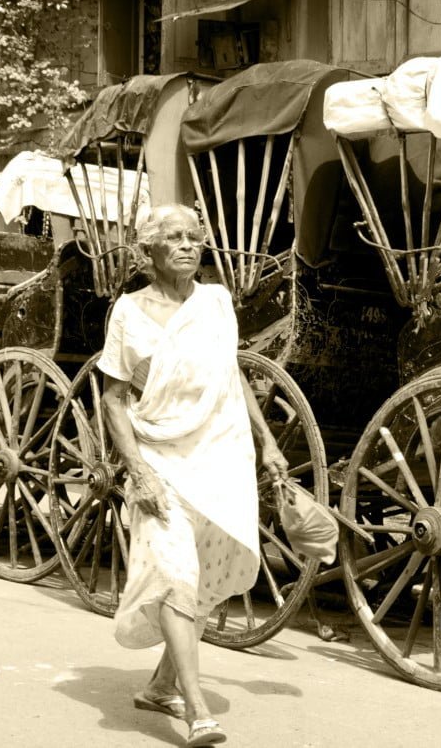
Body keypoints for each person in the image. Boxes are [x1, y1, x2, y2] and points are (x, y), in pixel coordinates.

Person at [97, 204, 287, 748]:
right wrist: (138, 472)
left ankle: (161, 685)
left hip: (217, 457)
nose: (187, 245)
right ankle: (197, 710)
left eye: (193, 237)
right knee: (176, 571)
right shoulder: (129, 313)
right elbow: (113, 401)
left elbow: (233, 377)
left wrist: (267, 441)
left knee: (200, 576)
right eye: (174, 238)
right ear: (149, 251)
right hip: (157, 456)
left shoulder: (217, 304)